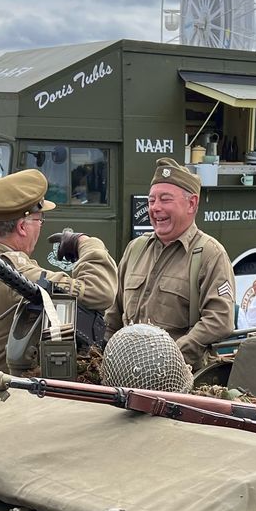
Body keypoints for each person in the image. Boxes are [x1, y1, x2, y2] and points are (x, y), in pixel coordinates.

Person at [0, 168, 118, 371]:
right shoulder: (10, 272)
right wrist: (87, 243)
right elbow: (100, 292)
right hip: (5, 393)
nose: (41, 225)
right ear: (22, 227)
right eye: (39, 219)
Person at [106, 157, 235, 369]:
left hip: (180, 379)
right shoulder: (135, 249)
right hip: (125, 372)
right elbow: (114, 315)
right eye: (151, 201)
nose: (155, 208)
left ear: (191, 203)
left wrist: (170, 357)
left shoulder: (210, 255)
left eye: (165, 199)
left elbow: (220, 320)